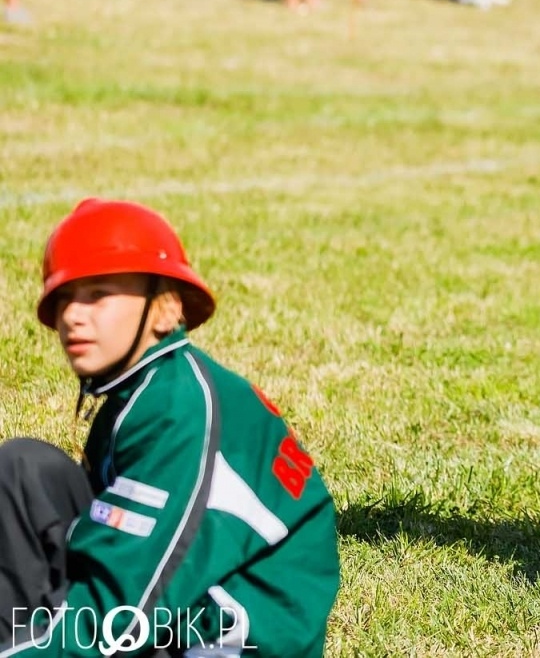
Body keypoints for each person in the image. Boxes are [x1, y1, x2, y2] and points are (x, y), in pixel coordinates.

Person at [0, 199, 339, 655]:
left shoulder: (177, 409)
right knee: (25, 472)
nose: (73, 315)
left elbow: (123, 610)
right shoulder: (144, 391)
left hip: (226, 640)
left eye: (98, 294)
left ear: (165, 309)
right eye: (63, 298)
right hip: (187, 607)